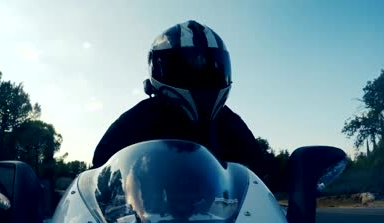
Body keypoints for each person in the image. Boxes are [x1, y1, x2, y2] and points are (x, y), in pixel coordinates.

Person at [92, 20, 263, 176]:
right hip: (147, 208)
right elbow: (101, 171)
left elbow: (260, 175)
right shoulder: (138, 120)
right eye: (188, 69)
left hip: (218, 208)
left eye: (210, 70)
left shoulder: (229, 124)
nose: (201, 77)